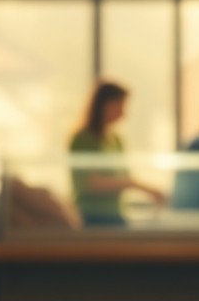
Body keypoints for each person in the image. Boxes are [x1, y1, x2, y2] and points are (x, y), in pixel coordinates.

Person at [68, 81, 166, 225]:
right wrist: (132, 184)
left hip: (115, 213)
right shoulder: (83, 139)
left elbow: (125, 176)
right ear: (105, 105)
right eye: (120, 105)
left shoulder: (116, 140)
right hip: (91, 215)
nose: (123, 112)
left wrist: (148, 189)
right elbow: (91, 183)